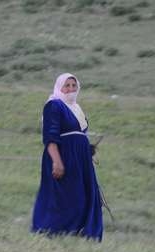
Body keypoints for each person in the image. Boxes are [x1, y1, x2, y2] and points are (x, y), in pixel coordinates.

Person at [31, 73, 103, 241]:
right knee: (65, 196)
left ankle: (80, 232)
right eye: (67, 85)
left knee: (84, 194)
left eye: (74, 85)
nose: (71, 89)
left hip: (81, 160)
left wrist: (87, 149)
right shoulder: (53, 105)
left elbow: (79, 134)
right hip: (63, 157)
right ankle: (53, 231)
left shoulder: (77, 109)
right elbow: (50, 136)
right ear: (59, 87)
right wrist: (57, 161)